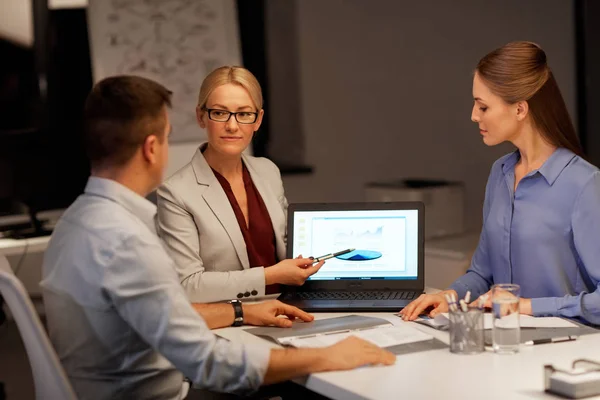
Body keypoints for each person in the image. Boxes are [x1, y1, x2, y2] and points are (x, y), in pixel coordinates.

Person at [41, 75, 395, 400]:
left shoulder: (76, 221)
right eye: (167, 137)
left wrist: (241, 311)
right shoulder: (127, 242)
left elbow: (162, 316)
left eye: (243, 114)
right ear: (152, 148)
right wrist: (324, 357)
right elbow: (208, 362)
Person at [401, 41, 600, 325]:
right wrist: (450, 296)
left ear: (520, 109)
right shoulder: (500, 173)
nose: (473, 115)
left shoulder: (584, 184)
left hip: (564, 351)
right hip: (503, 344)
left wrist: (526, 306)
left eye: (483, 106)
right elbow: (483, 273)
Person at [157, 66, 319, 303]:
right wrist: (269, 275)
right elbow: (188, 286)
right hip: (230, 319)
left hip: (286, 307)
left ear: (258, 120)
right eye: (220, 113)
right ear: (201, 117)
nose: (232, 126)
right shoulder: (176, 192)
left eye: (243, 114)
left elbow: (287, 246)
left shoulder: (268, 171)